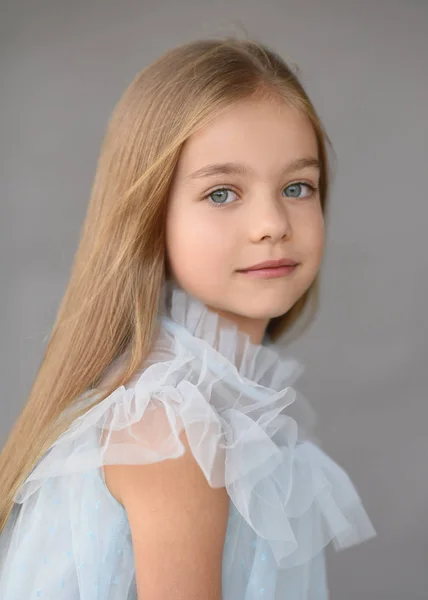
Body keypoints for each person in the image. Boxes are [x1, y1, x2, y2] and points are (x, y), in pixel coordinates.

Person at [0, 37, 376, 599]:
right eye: (223, 193)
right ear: (151, 216)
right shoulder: (170, 429)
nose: (271, 223)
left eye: (297, 187)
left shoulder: (233, 410)